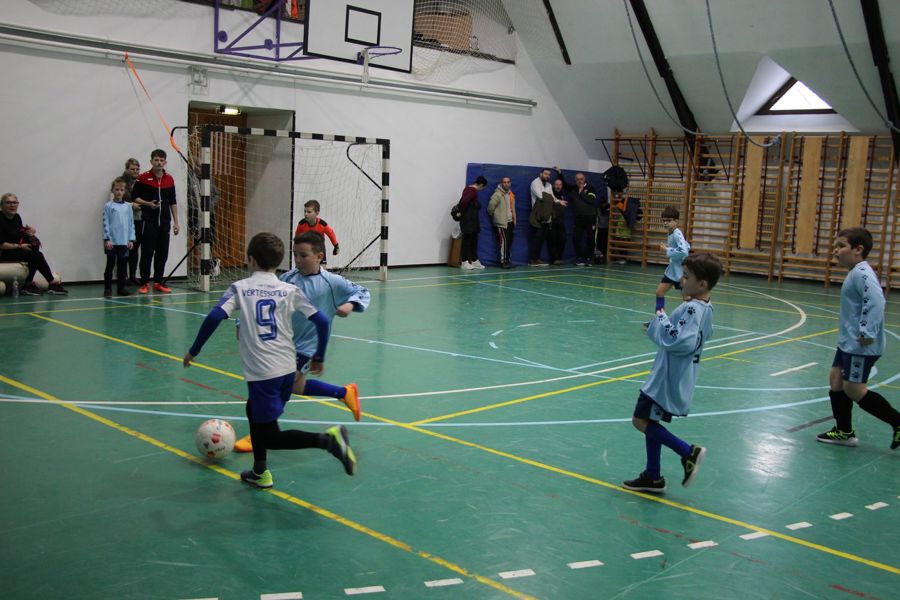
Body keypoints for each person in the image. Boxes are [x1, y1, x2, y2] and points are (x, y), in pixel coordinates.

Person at [183, 232, 357, 489]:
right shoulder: (290, 289)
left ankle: (329, 440)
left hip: (264, 373)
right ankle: (259, 472)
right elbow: (321, 320)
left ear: (251, 259)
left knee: (272, 437)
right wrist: (319, 356)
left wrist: (194, 350)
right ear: (278, 262)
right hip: (287, 368)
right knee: (252, 410)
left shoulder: (239, 288)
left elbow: (215, 317)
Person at [233, 231, 369, 453]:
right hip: (284, 344)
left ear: (319, 256)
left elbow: (361, 291)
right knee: (296, 386)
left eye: (303, 255)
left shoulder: (331, 282)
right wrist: (241, 322)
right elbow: (262, 298)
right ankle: (344, 393)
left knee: (280, 387)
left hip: (307, 347)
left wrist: (350, 305)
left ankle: (261, 433)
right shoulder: (288, 278)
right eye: (295, 255)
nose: (297, 260)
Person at [622, 252, 722, 493]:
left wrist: (661, 318)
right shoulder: (706, 307)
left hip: (666, 377)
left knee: (639, 420)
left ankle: (688, 452)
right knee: (651, 419)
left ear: (702, 284)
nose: (680, 280)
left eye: (686, 277)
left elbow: (681, 341)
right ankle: (653, 476)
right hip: (676, 373)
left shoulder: (692, 309)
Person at [817, 227, 899, 450]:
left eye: (841, 246)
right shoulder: (855, 271)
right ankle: (844, 432)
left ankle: (898, 422)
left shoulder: (863, 274)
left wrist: (866, 332)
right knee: (836, 379)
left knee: (853, 389)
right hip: (848, 342)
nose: (835, 251)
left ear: (858, 249)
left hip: (860, 345)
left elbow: (876, 302)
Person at [132, 149, 180, 294]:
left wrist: (176, 222)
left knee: (162, 253)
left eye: (161, 160)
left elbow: (173, 202)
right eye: (156, 160)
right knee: (147, 253)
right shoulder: (143, 178)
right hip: (148, 222)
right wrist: (148, 204)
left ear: (165, 162)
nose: (159, 162)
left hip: (164, 223)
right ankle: (145, 283)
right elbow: (135, 197)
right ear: (151, 161)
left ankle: (158, 282)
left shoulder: (169, 179)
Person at [0, 193, 68, 295]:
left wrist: (29, 232)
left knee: (36, 251)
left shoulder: (17, 217)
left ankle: (50, 283)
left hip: (14, 250)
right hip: (3, 252)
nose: (12, 205)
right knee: (35, 255)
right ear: (2, 205)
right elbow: (1, 244)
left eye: (14, 202)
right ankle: (30, 284)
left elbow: (17, 234)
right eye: (8, 203)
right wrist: (19, 246)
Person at [102, 178, 136, 297]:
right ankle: (108, 288)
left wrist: (131, 239)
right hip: (112, 242)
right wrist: (107, 239)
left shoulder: (128, 206)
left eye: (121, 190)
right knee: (110, 266)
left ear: (124, 191)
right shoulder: (108, 206)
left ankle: (122, 288)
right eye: (116, 189)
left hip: (124, 242)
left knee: (122, 267)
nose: (119, 192)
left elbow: (131, 223)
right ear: (112, 190)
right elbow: (105, 223)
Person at [655, 206, 691, 311]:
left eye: (669, 220)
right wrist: (669, 248)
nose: (665, 223)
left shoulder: (677, 234)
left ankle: (690, 318)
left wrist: (667, 249)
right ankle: (659, 317)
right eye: (664, 221)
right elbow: (686, 246)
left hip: (681, 271)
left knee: (687, 298)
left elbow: (684, 251)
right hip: (672, 270)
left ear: (676, 221)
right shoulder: (671, 232)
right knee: (659, 292)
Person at [560, 169, 599, 267]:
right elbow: (564, 185)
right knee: (576, 238)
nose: (579, 181)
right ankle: (580, 257)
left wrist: (581, 192)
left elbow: (591, 200)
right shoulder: (573, 188)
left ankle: (589, 258)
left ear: (584, 179)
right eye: (577, 179)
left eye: (581, 179)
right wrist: (559, 173)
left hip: (590, 217)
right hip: (578, 218)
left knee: (590, 238)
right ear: (575, 180)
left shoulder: (590, 188)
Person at [458, 175, 487, 270]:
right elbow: (464, 202)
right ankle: (464, 262)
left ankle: (474, 261)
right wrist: (462, 213)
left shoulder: (468, 189)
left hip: (472, 220)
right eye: (483, 187)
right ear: (481, 185)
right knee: (467, 241)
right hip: (468, 220)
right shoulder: (472, 191)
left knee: (474, 241)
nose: (482, 189)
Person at [121, 158, 142, 286]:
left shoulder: (142, 182)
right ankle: (123, 276)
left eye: (137, 169)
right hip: (124, 220)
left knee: (135, 248)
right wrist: (131, 205)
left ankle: (133, 276)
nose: (135, 171)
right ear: (127, 169)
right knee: (124, 248)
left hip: (138, 219)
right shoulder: (120, 182)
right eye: (132, 169)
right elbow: (115, 201)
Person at [486, 176, 515, 268]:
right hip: (501, 223)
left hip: (510, 222)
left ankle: (508, 260)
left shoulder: (510, 194)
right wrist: (497, 217)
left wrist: (514, 219)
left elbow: (512, 208)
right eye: (504, 182)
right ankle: (503, 261)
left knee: (509, 243)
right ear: (501, 183)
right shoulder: (497, 194)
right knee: (504, 243)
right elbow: (490, 207)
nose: (506, 184)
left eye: (508, 182)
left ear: (510, 183)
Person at [528, 168, 554, 266]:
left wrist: (558, 201)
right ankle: (532, 260)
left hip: (546, 216)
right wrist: (551, 198)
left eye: (549, 174)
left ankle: (537, 258)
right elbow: (541, 196)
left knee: (541, 239)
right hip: (537, 216)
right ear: (541, 174)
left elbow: (552, 198)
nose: (547, 176)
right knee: (537, 238)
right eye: (546, 174)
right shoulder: (535, 183)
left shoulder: (549, 185)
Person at [549, 177, 568, 265]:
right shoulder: (551, 193)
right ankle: (554, 259)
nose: (558, 186)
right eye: (556, 184)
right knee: (553, 240)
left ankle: (559, 258)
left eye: (560, 184)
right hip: (552, 220)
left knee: (562, 239)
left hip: (561, 220)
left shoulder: (562, 194)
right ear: (553, 185)